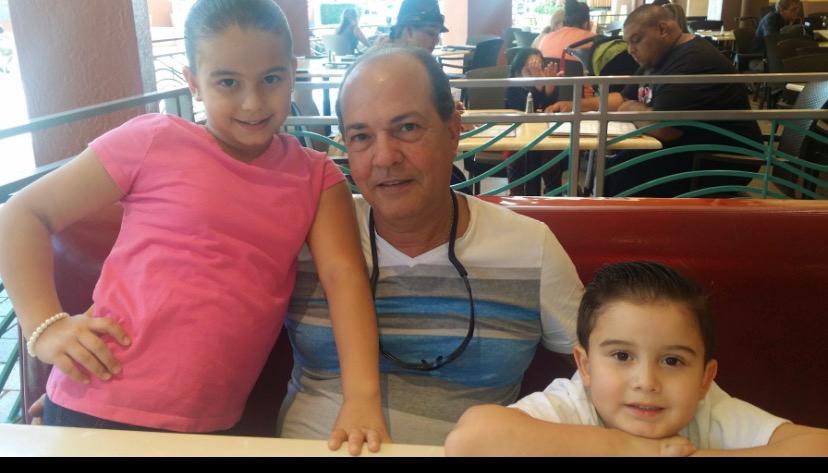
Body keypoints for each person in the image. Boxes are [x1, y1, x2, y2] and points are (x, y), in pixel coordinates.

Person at [0, 0, 387, 455]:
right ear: (193, 83)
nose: (253, 102)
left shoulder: (316, 177)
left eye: (271, 79)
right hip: (97, 398)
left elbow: (344, 279)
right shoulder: (153, 139)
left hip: (215, 424)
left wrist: (361, 399)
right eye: (228, 82)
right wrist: (45, 328)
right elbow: (20, 214)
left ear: (293, 72)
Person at [277, 47, 585, 446]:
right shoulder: (310, 232)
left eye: (407, 128)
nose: (385, 157)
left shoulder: (530, 248)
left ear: (454, 130)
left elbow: (610, 369)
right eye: (361, 137)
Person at [445, 261, 828, 456]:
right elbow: (471, 439)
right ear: (586, 366)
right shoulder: (574, 405)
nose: (646, 381)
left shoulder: (708, 410)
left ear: (704, 378)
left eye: (673, 361)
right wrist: (631, 449)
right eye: (622, 355)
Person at [547, 4, 762, 197]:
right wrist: (576, 106)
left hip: (721, 161)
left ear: (662, 29)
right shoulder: (658, 57)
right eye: (627, 43)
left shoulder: (693, 61)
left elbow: (663, 128)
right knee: (610, 168)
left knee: (617, 175)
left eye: (636, 40)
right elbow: (622, 98)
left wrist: (630, 108)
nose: (630, 50)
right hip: (689, 150)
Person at [504, 48, 562, 195]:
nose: (537, 74)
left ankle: (553, 195)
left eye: (539, 69)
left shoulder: (547, 85)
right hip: (517, 140)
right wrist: (539, 87)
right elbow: (527, 112)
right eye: (530, 70)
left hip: (546, 139)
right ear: (517, 73)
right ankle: (517, 196)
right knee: (517, 154)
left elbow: (548, 111)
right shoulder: (512, 89)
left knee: (551, 152)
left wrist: (548, 89)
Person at [381, 0, 449, 53]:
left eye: (437, 35)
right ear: (409, 31)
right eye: (431, 34)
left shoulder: (410, 58)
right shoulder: (386, 62)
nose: (437, 41)